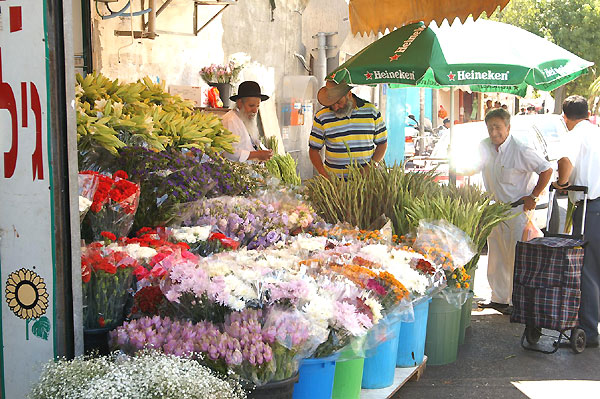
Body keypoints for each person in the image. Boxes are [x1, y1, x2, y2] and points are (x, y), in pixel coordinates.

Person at [474, 108, 553, 314]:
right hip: (494, 210)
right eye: (490, 127)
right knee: (496, 255)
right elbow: (474, 166)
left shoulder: (521, 150)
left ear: (508, 128)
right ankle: (499, 298)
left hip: (516, 210)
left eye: (498, 127)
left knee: (515, 256)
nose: (494, 132)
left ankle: (516, 302)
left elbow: (546, 169)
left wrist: (534, 196)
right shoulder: (483, 146)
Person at [553, 95, 600, 347]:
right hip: (595, 205)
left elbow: (565, 162)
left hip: (592, 207)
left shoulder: (574, 135)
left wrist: (561, 184)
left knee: (588, 271)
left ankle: (589, 332)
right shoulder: (597, 132)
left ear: (565, 118)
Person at [309, 80, 387, 178]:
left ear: (349, 95)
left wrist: (371, 167)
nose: (336, 107)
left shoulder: (372, 112)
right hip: (335, 183)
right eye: (332, 104)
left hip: (366, 182)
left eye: (338, 102)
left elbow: (382, 144)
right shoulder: (322, 117)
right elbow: (313, 150)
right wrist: (325, 175)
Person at [221, 81, 273, 162]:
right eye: (251, 105)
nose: (255, 111)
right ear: (239, 103)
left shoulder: (243, 118)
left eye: (257, 106)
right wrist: (257, 155)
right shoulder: (231, 121)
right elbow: (229, 153)